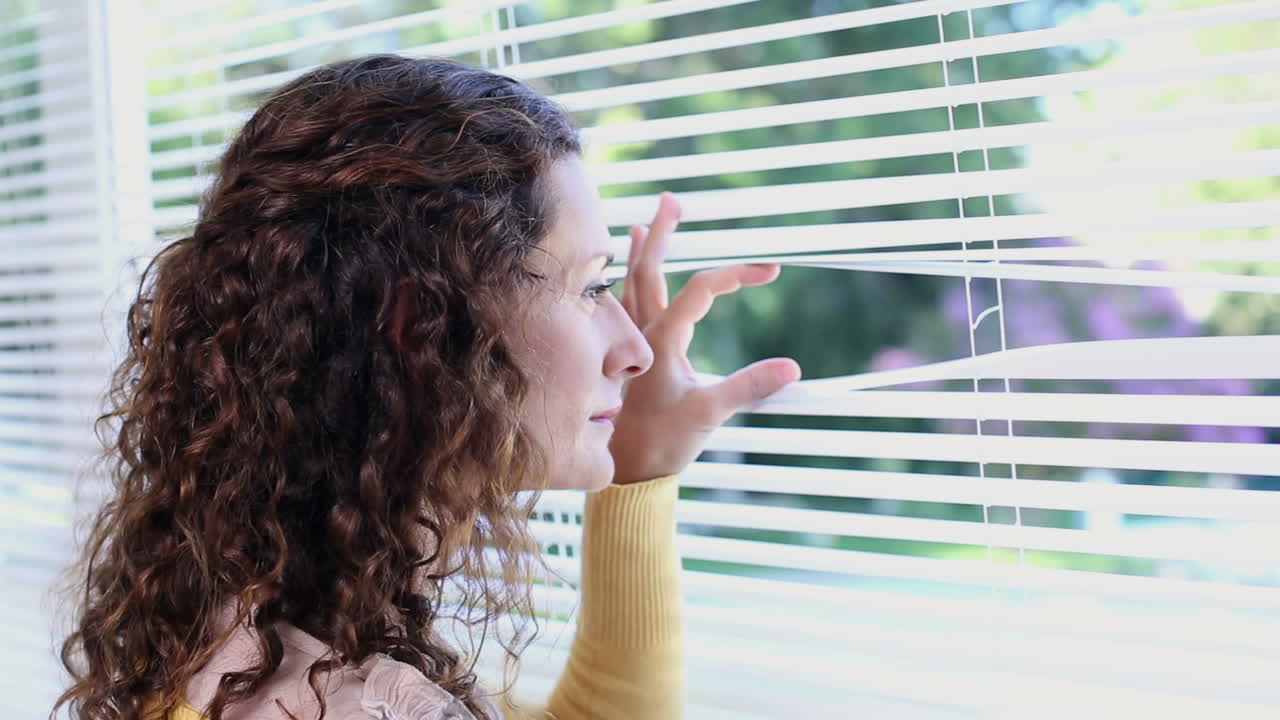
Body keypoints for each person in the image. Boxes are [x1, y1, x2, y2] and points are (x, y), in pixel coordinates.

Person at [55, 54, 800, 720]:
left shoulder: (250, 622)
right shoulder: (362, 704)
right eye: (588, 286)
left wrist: (635, 473)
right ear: (422, 327)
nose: (634, 349)